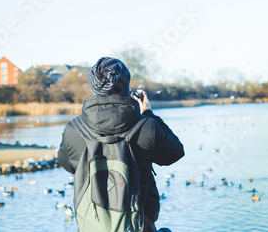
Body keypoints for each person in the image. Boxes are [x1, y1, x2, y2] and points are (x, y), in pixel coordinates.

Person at [58, 57, 185, 232]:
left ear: (93, 87)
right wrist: (148, 112)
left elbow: (67, 164)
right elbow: (175, 152)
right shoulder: (146, 126)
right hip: (139, 226)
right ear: (126, 86)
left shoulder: (74, 129)